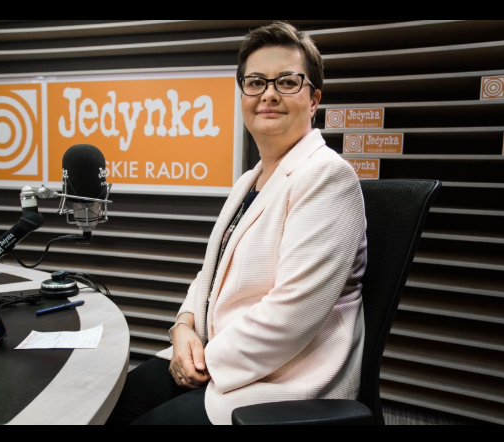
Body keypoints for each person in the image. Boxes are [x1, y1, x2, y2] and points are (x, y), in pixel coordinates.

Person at [107, 21, 367, 426]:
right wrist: (182, 328)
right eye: (256, 82)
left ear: (314, 99)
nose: (268, 94)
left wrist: (202, 361)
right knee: (114, 405)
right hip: (220, 355)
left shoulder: (327, 176)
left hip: (285, 380)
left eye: (287, 82)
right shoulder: (249, 180)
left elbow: (291, 316)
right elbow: (210, 275)